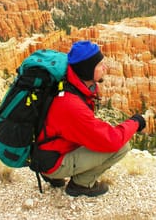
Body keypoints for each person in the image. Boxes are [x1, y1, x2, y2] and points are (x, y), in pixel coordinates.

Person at [38, 40, 146, 197]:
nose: (105, 68)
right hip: (52, 160)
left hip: (47, 150)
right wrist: (136, 122)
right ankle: (82, 184)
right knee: (121, 146)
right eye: (100, 64)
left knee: (97, 135)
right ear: (87, 70)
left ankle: (52, 175)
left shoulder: (68, 85)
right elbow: (112, 140)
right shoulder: (71, 104)